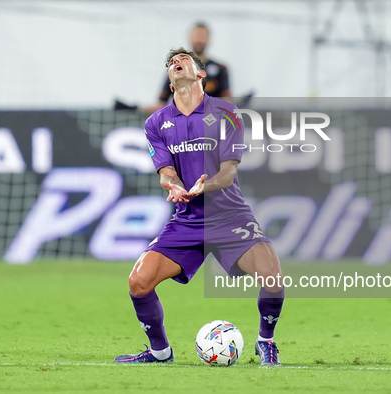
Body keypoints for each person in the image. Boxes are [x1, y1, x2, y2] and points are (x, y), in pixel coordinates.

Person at [114, 48, 284, 366]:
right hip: (188, 220)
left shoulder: (226, 112)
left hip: (229, 215)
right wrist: (174, 185)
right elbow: (165, 171)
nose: (175, 63)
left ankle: (266, 341)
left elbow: (229, 170)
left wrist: (206, 185)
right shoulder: (156, 123)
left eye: (183, 60)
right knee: (138, 282)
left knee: (272, 278)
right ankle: (160, 352)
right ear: (169, 77)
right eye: (170, 63)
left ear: (201, 73)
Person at [141, 23, 231, 114]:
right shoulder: (176, 67)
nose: (199, 39)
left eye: (202, 36)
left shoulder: (220, 69)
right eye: (196, 35)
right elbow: (161, 103)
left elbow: (227, 102)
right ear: (190, 37)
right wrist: (138, 109)